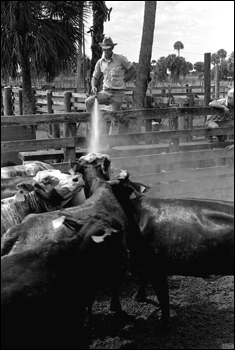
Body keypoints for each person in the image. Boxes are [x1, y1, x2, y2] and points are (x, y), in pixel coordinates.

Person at [85, 37, 137, 134]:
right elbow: (95, 77)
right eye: (104, 48)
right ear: (102, 49)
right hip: (106, 92)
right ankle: (93, 126)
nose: (106, 51)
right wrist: (93, 86)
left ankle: (110, 144)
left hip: (118, 93)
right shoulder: (100, 62)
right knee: (89, 102)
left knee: (115, 119)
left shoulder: (120, 59)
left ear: (112, 48)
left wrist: (124, 79)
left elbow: (133, 70)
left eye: (108, 48)